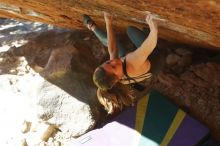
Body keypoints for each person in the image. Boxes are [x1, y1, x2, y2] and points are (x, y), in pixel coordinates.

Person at [83, 12, 160, 114]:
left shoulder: (115, 73)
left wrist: (108, 22)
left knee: (115, 49)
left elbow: (112, 50)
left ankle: (92, 27)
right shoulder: (132, 63)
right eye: (113, 67)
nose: (113, 61)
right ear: (117, 78)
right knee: (131, 30)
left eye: (108, 62)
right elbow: (148, 46)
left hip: (135, 60)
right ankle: (149, 35)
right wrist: (153, 28)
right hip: (154, 54)